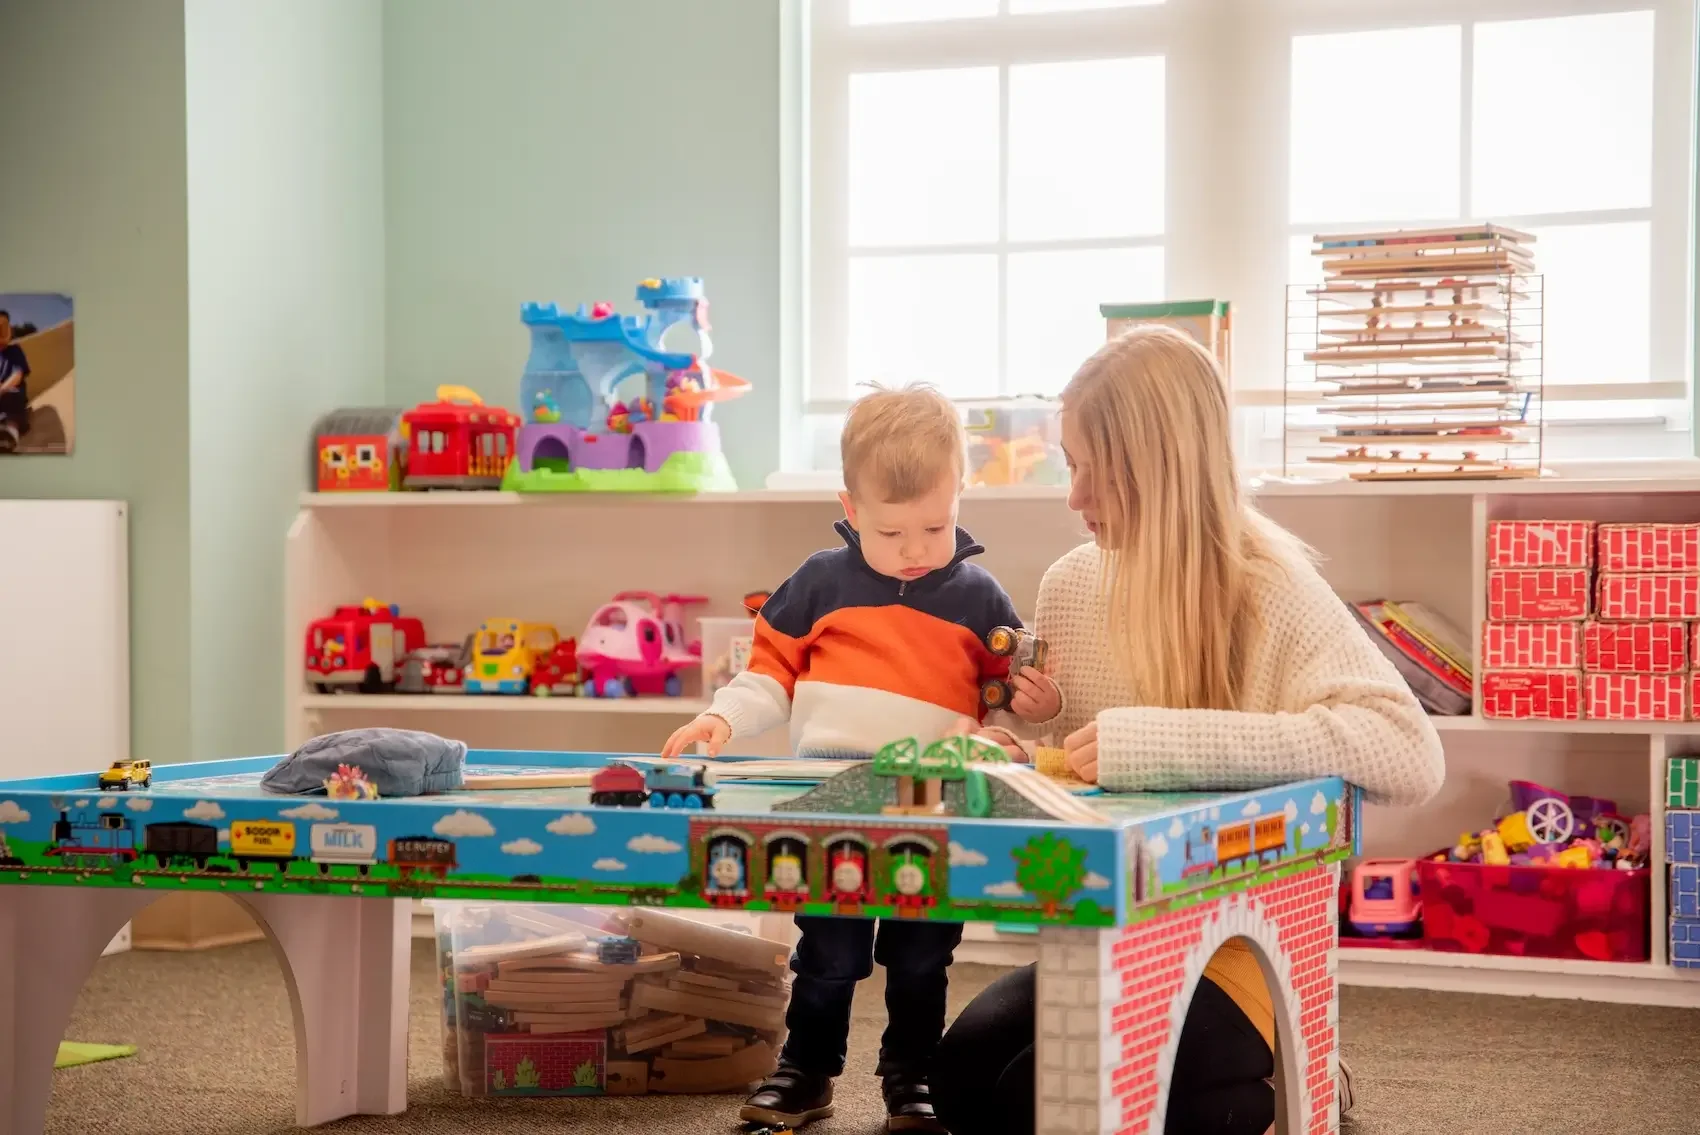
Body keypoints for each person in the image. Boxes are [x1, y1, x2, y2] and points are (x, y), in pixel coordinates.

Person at [931, 326, 1446, 1135]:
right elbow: (1080, 769)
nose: (1073, 498)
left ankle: (1306, 1066)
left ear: (1159, 468)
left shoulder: (1271, 585)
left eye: (1093, 471)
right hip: (1111, 941)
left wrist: (1166, 740)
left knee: (1048, 1099)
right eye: (1071, 465)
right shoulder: (1071, 583)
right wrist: (1014, 754)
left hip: (1237, 953)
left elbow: (1407, 750)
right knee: (962, 1082)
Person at [661, 383, 1061, 1134]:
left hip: (930, 810)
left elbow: (1000, 708)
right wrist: (721, 715)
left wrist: (1029, 709)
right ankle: (807, 1069)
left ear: (961, 494)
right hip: (832, 803)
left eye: (935, 526)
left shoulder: (982, 599)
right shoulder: (818, 580)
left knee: (920, 958)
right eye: (891, 532)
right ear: (849, 507)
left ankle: (911, 1076)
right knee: (829, 952)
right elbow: (769, 676)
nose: (914, 549)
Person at [0, 311, 32, 445]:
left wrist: (1, 390)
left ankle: (9, 434)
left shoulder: (14, 350)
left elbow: (17, 376)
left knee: (12, 395)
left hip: (11, 395)